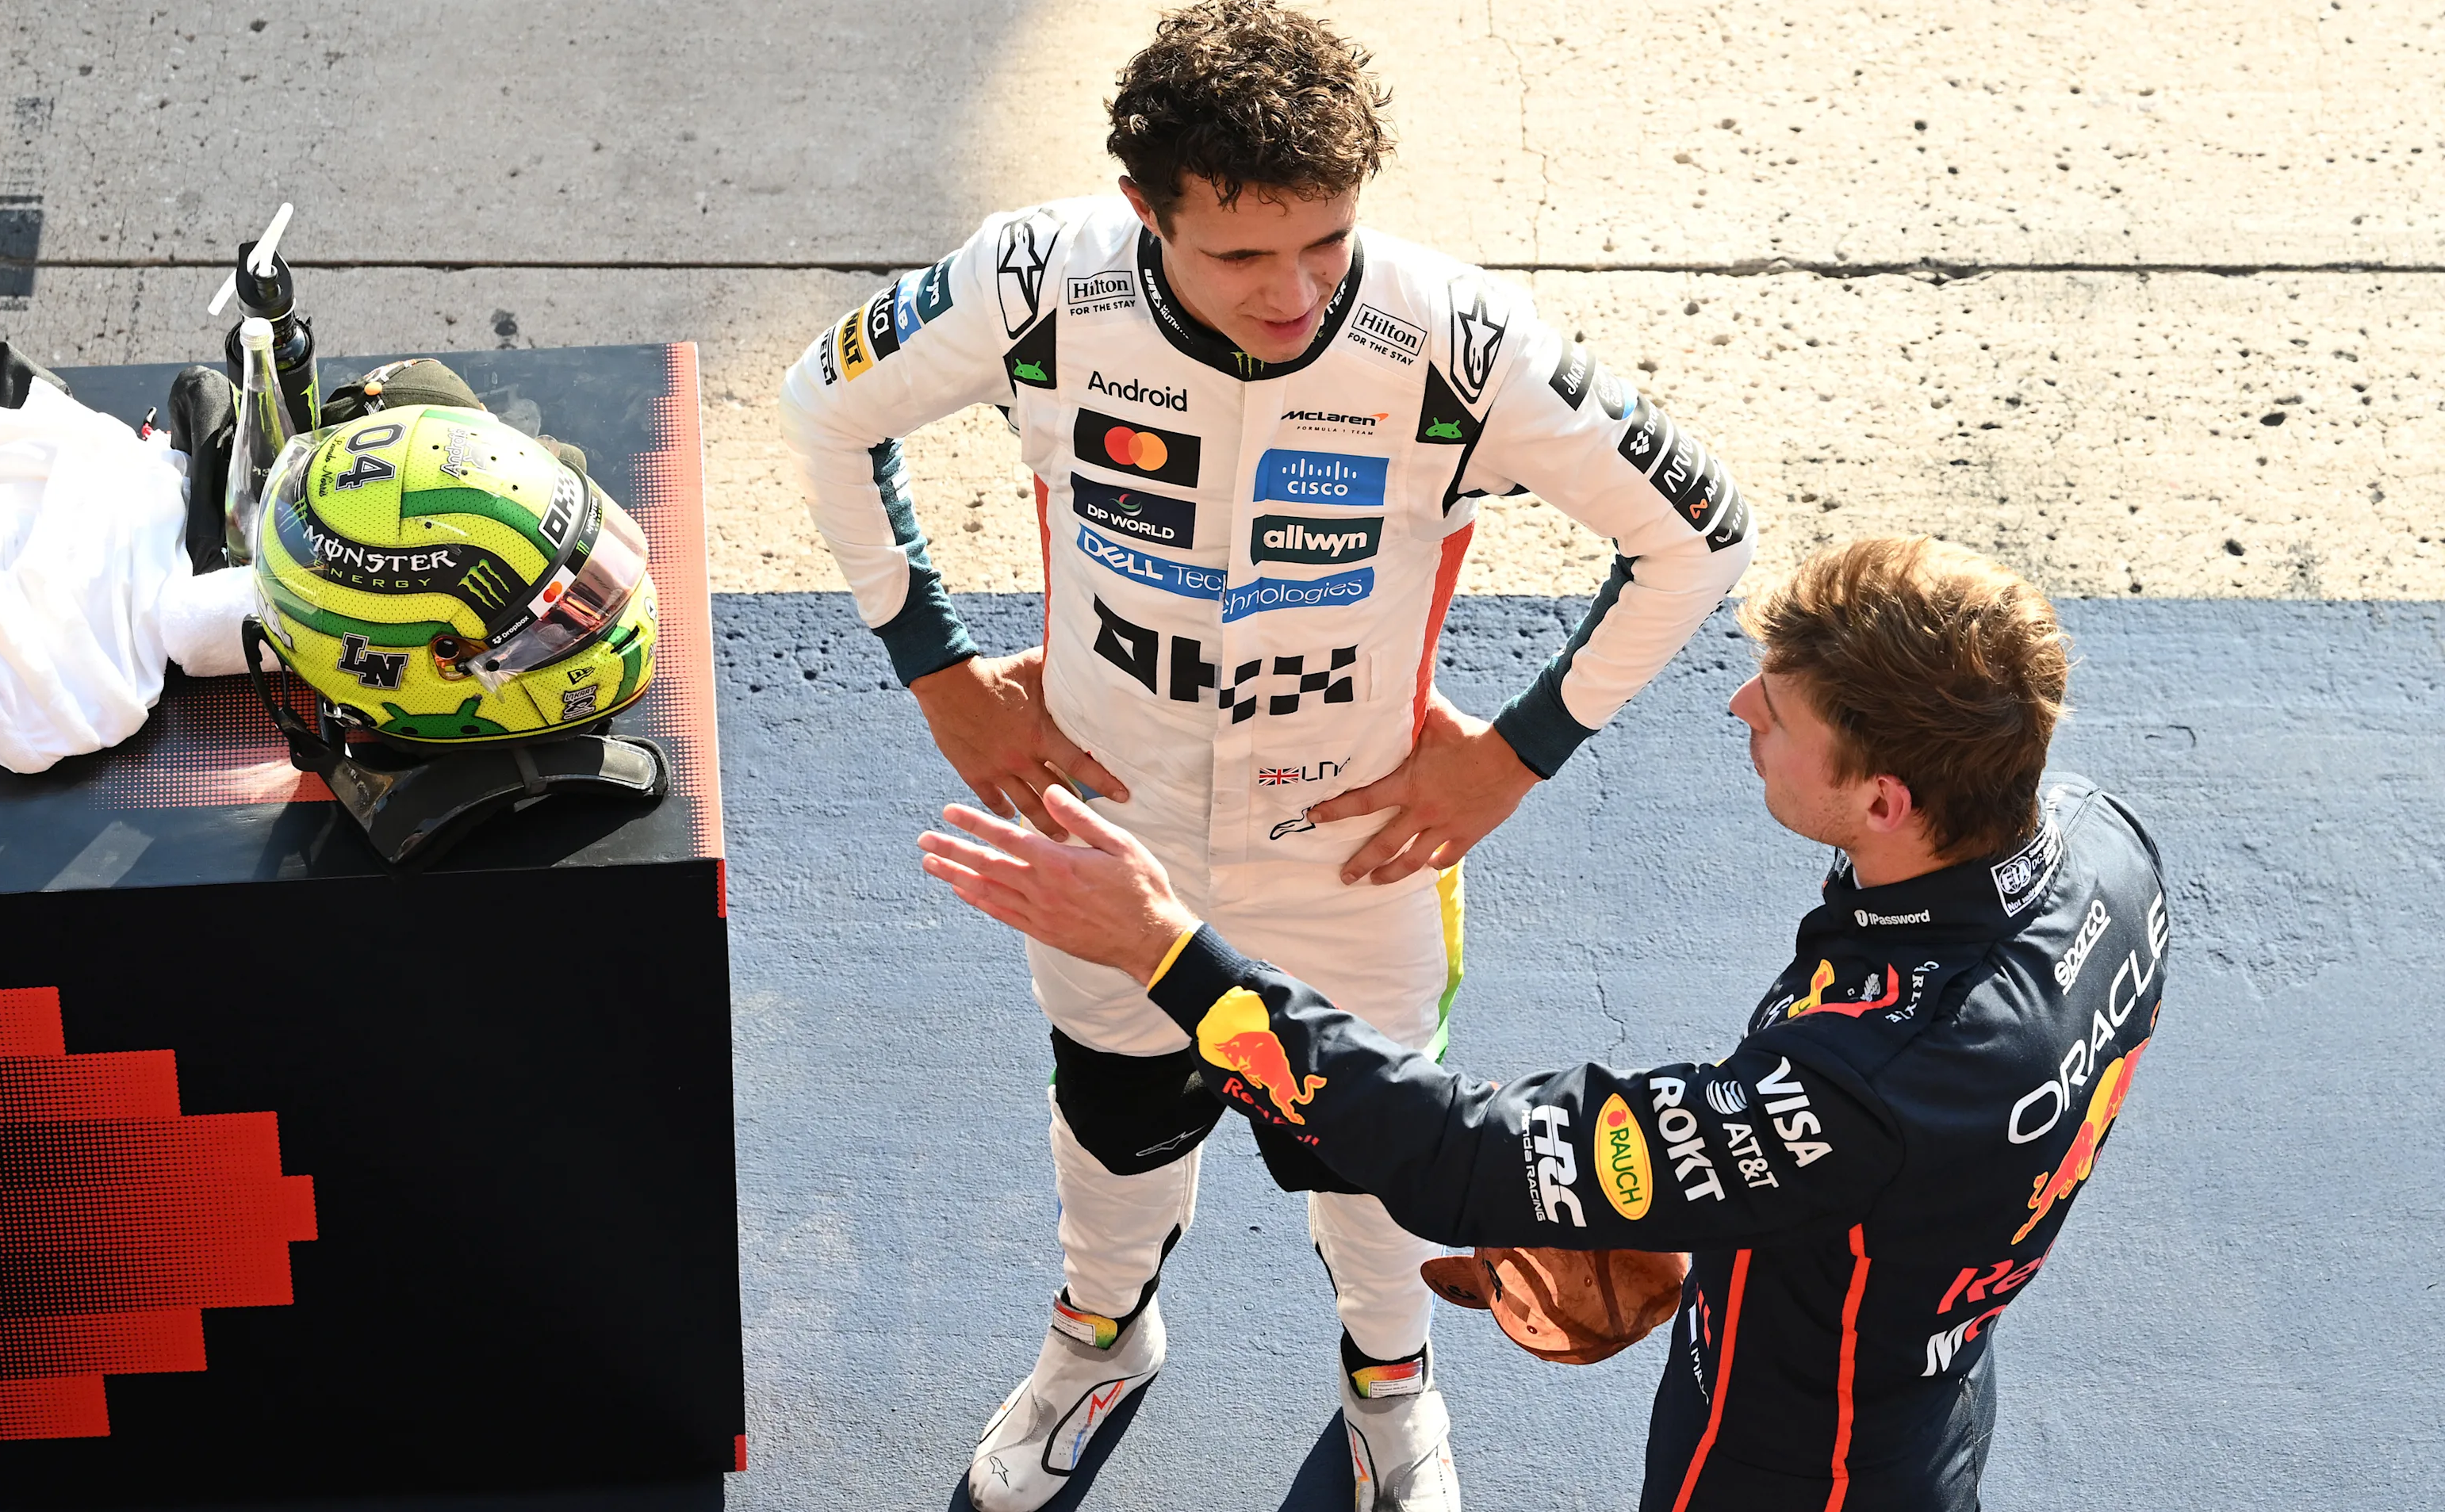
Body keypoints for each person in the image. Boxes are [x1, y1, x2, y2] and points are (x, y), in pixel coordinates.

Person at [780, 3, 1753, 1506]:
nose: (1295, 291)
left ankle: (1392, 1380)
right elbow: (824, 408)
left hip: (1352, 848)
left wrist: (1513, 756)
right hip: (1109, 818)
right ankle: (1099, 1337)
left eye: (1327, 240)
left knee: (1383, 1154)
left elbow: (1697, 534)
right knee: (1114, 1106)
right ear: (1142, 211)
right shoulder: (1039, 278)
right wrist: (940, 675)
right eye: (1241, 255)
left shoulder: (1451, 331)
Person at [919, 538, 2169, 1512]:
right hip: (1925, 1392)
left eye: (1781, 716)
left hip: (1788, 1468)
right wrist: (1759, 1198)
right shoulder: (2103, 850)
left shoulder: (1872, 1088)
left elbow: (1462, 1160)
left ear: (1887, 799)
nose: (1740, 709)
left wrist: (1161, 949)